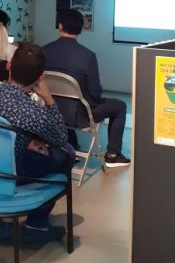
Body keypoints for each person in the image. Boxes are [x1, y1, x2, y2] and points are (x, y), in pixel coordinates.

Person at [0, 43, 75, 235]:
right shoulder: (33, 113)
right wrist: (48, 98)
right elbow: (61, 138)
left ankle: (7, 219)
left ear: (9, 64)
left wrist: (24, 141)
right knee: (67, 153)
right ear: (40, 76)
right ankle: (36, 225)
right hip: (12, 172)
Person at [43, 9, 130, 168]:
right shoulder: (88, 56)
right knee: (120, 106)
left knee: (64, 101)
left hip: (50, 111)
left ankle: (69, 148)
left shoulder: (44, 51)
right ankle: (113, 155)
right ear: (81, 29)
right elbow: (95, 93)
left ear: (60, 26)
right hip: (79, 116)